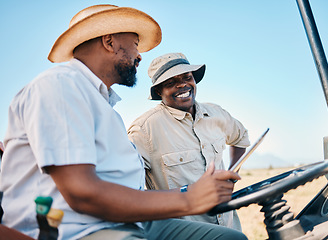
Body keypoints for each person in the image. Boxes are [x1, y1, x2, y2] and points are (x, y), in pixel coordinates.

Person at [0, 4, 247, 240]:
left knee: (232, 237)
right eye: (136, 44)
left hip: (129, 220)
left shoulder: (107, 110)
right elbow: (82, 194)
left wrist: (193, 192)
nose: (139, 56)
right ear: (109, 42)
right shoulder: (61, 86)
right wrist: (189, 198)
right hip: (80, 229)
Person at [127, 52, 250, 230]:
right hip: (184, 233)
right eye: (171, 82)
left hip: (230, 229)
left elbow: (241, 138)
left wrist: (231, 175)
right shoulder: (144, 130)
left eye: (187, 77)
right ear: (159, 91)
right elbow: (129, 191)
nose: (183, 84)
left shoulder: (216, 113)